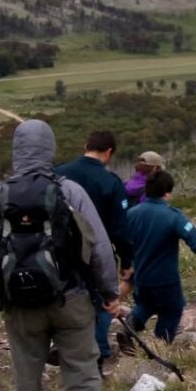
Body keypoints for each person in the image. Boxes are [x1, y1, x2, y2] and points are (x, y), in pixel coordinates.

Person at [0, 120, 119, 391]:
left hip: (20, 306)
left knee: (26, 370)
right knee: (82, 373)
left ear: (16, 151)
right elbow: (99, 248)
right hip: (72, 299)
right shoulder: (70, 191)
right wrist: (109, 292)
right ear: (50, 150)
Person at [54, 130, 133, 375]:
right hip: (96, 254)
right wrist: (126, 261)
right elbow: (120, 228)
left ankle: (67, 350)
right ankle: (95, 360)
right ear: (109, 152)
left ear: (85, 146)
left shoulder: (59, 173)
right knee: (100, 305)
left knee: (66, 301)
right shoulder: (110, 182)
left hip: (58, 254)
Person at [123, 170, 196, 343]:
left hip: (141, 277)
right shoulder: (173, 216)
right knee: (173, 309)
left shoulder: (131, 214)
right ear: (167, 193)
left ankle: (132, 323)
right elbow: (195, 240)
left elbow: (121, 240)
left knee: (146, 304)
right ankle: (161, 344)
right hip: (165, 279)